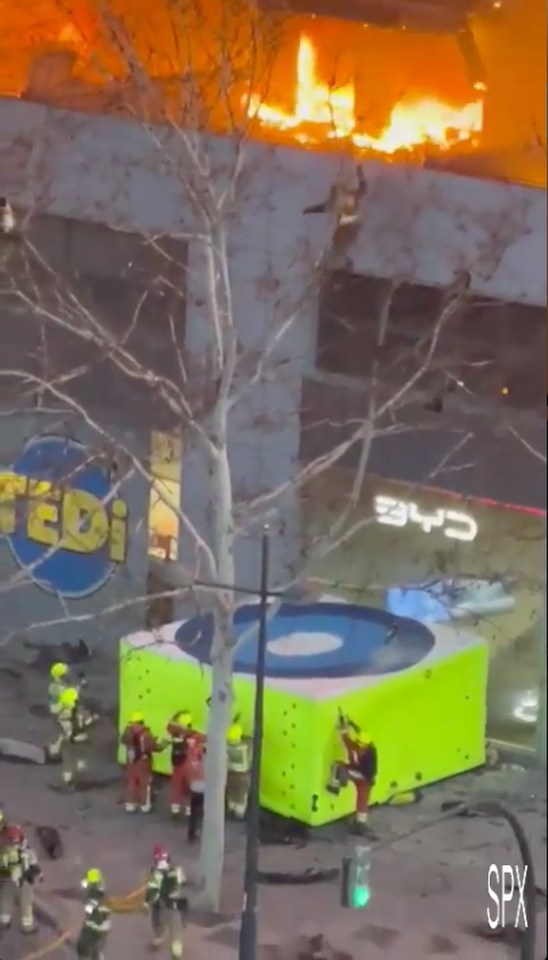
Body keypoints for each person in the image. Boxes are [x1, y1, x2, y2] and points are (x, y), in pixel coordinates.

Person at [327, 715, 377, 832]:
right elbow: (357, 733)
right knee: (362, 799)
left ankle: (336, 784)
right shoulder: (369, 749)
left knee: (339, 767)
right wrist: (351, 724)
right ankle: (360, 823)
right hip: (364, 776)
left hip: (363, 776)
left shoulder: (354, 746)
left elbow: (345, 735)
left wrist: (345, 726)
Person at [145, 845, 187, 957]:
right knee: (176, 929)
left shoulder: (156, 874)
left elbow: (152, 891)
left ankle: (157, 940)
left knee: (158, 923)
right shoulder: (177, 870)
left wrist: (147, 902)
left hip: (161, 906)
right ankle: (177, 953)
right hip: (176, 905)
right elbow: (183, 880)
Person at [0, 823, 42, 933]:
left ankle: (4, 923)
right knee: (26, 904)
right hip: (24, 882)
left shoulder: (4, 851)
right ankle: (27, 927)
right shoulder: (26, 851)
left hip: (8, 881)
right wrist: (40, 875)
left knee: (6, 901)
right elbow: (34, 865)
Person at [120, 711, 165, 813]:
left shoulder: (128, 731)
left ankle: (130, 805)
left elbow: (123, 740)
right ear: (142, 721)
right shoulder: (146, 734)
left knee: (131, 782)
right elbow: (154, 747)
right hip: (143, 762)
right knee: (144, 784)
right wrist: (162, 745)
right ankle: (144, 806)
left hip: (131, 761)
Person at [166, 711, 206, 817]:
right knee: (190, 787)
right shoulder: (195, 735)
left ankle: (175, 809)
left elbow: (169, 725)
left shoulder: (174, 732)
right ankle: (189, 810)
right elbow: (207, 738)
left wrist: (177, 715)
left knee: (176, 786)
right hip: (190, 765)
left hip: (177, 763)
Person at [49, 686, 90, 788]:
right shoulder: (82, 712)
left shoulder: (63, 714)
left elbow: (61, 731)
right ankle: (77, 776)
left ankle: (70, 780)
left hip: (69, 741)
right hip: (80, 740)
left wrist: (56, 745)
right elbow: (87, 723)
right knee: (79, 759)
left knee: (69, 762)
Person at [76, 868, 111, 960]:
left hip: (94, 927)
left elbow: (89, 909)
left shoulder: (93, 894)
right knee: (97, 949)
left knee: (83, 947)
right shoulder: (102, 895)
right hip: (104, 927)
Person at [226, 723, 252, 820]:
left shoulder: (227, 745)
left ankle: (231, 809)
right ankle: (239, 814)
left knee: (232, 793)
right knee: (241, 795)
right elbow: (250, 740)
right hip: (242, 774)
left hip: (231, 772)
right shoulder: (244, 746)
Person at [187, 740, 206, 843]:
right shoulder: (203, 761)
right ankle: (197, 831)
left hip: (193, 788)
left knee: (194, 813)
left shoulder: (190, 760)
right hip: (202, 789)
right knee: (200, 813)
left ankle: (191, 834)